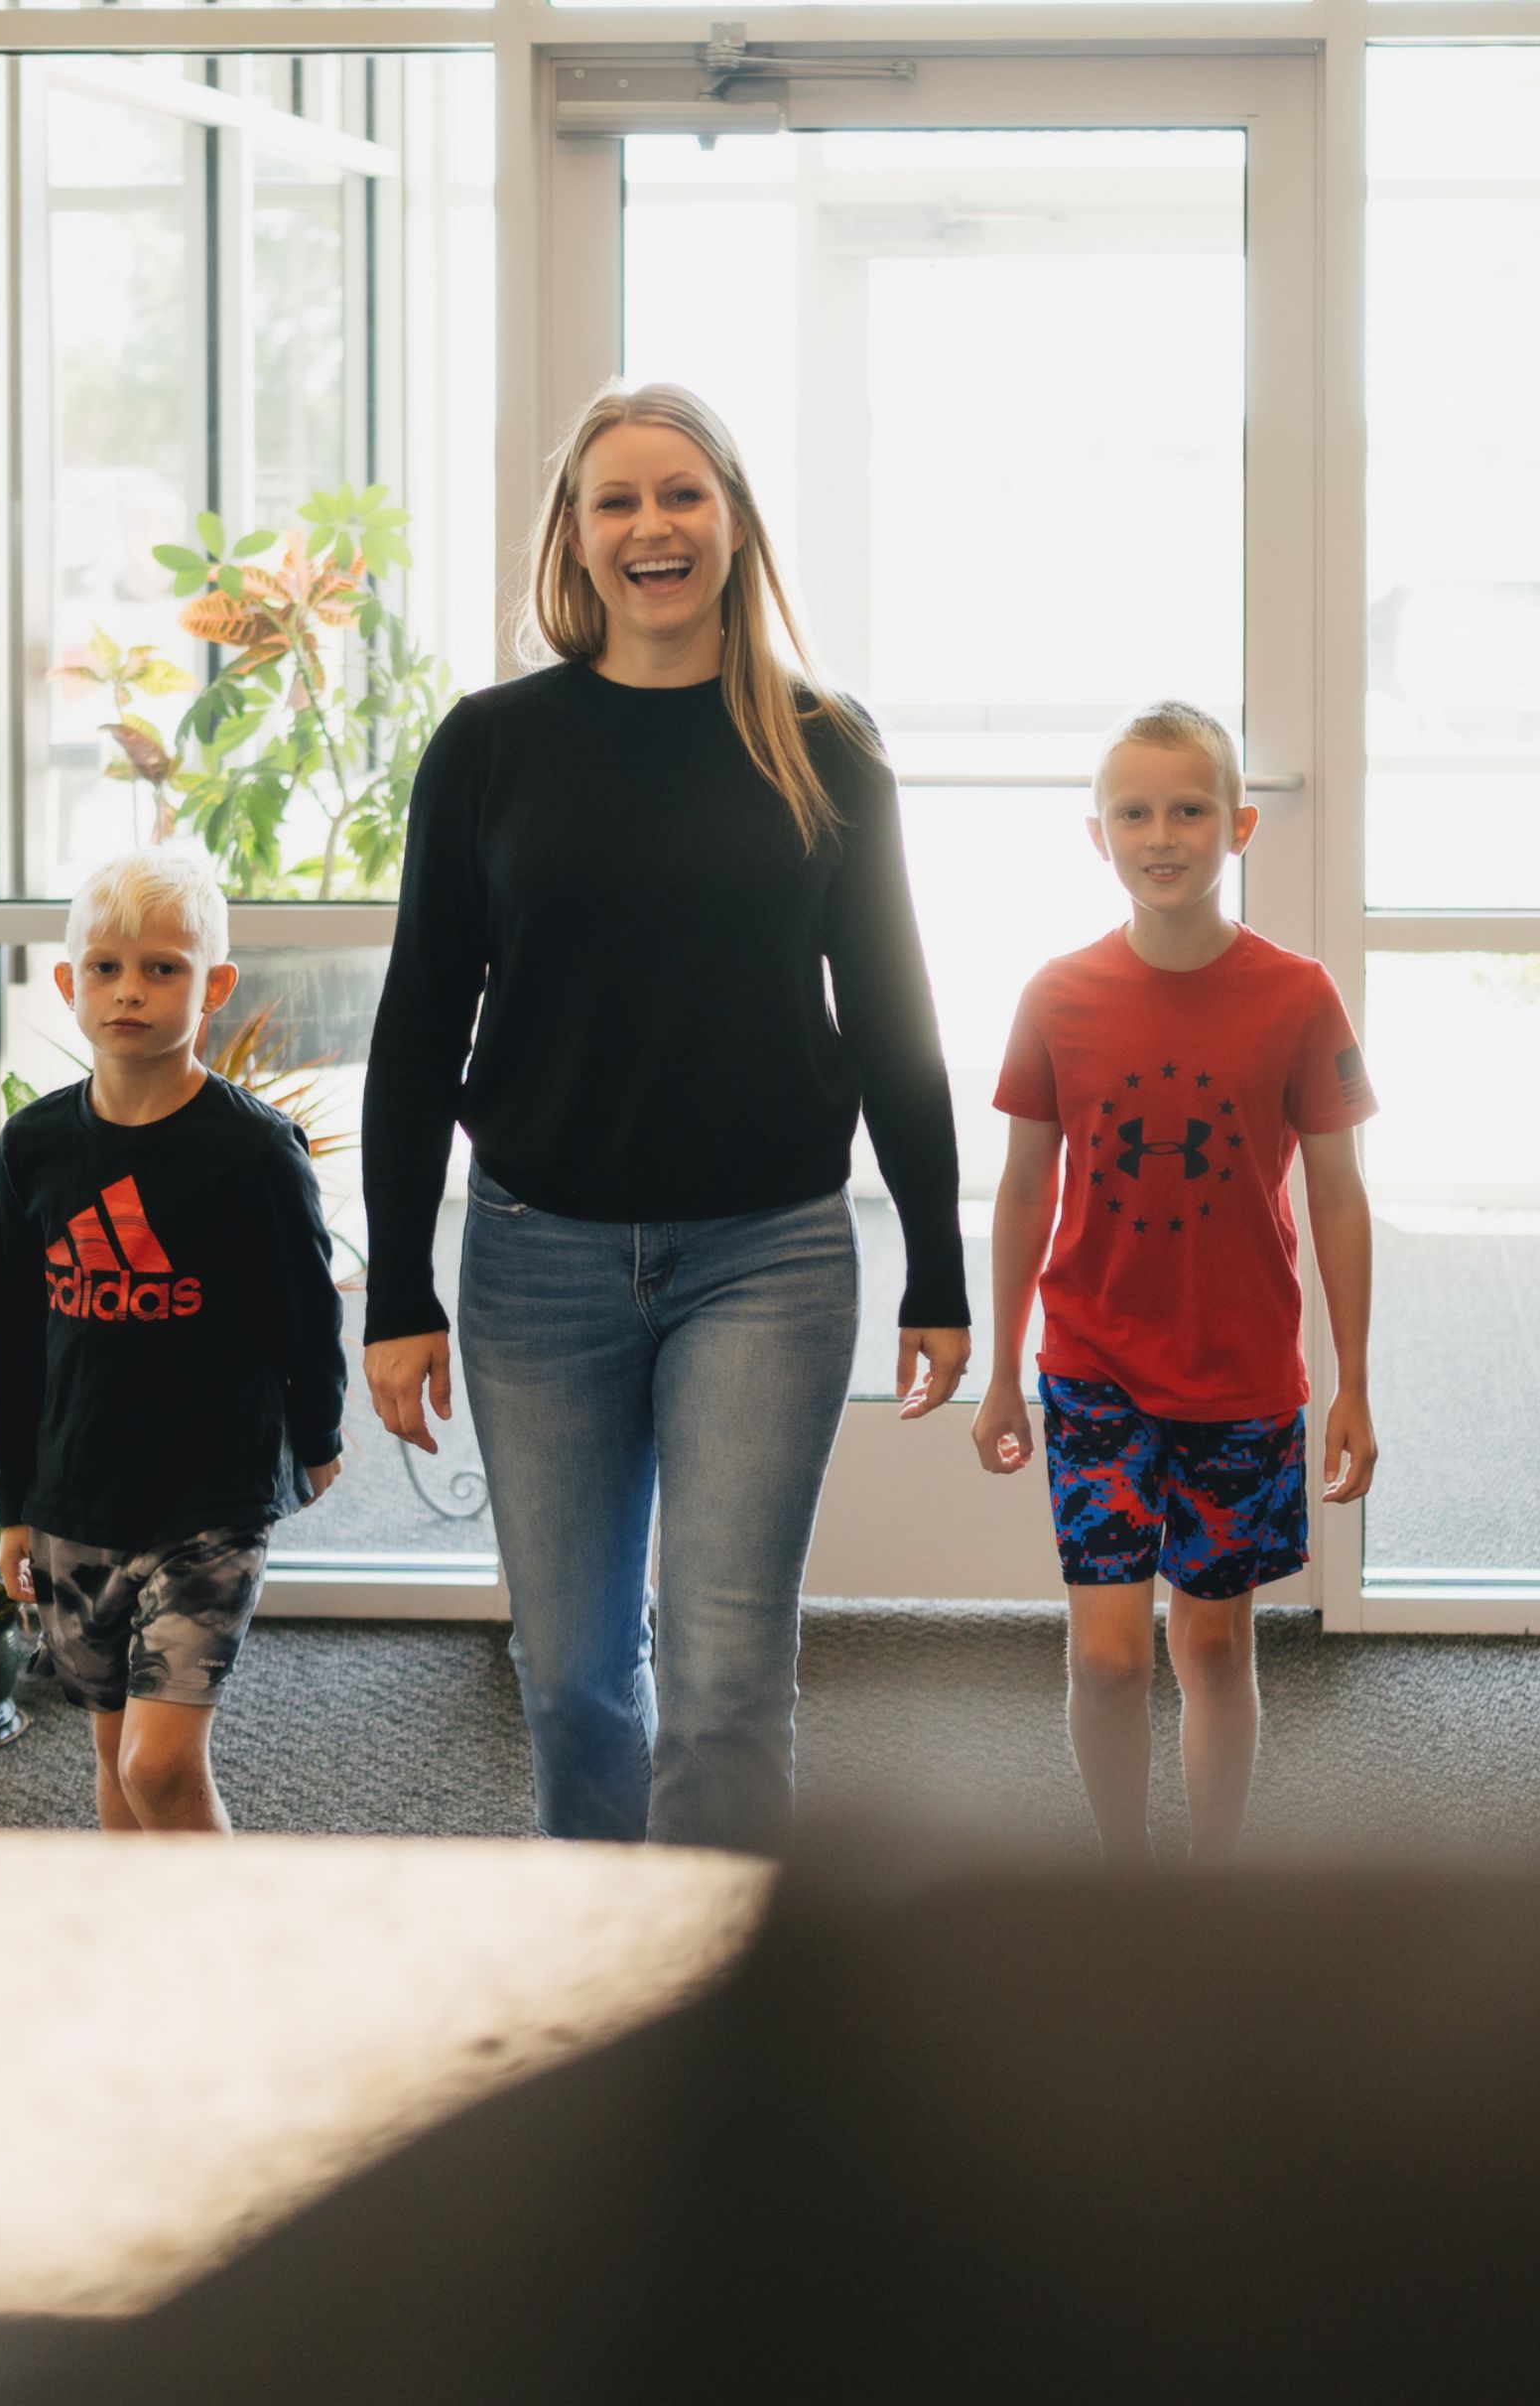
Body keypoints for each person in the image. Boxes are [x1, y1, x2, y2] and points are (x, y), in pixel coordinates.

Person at [360, 381, 971, 1853]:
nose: (654, 527)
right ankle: (601, 1981)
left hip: (766, 1258)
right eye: (618, 500)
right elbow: (420, 1024)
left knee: (724, 1687)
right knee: (572, 1685)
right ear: (574, 540)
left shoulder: (824, 746)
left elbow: (893, 1019)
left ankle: (720, 2041)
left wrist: (942, 1269)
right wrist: (395, 1284)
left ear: (737, 524)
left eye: (683, 495)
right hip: (535, 1262)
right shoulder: (490, 748)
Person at [970, 702, 1377, 1863]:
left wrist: (1349, 1384)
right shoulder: (1057, 996)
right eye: (1135, 812)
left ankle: (1209, 1893)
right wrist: (1002, 1373)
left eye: (1191, 809)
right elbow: (1019, 1193)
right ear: (1097, 836)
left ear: (1239, 826)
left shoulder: (1298, 998)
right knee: (1105, 1655)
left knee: (1211, 1651)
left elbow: (1339, 1195)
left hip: (1242, 1374)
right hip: (1094, 1365)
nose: (1164, 833)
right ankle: (1127, 1884)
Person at [0, 849, 346, 1834]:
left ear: (214, 986)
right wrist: (12, 1498)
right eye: (104, 968)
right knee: (111, 1754)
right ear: (68, 986)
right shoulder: (34, 1147)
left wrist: (317, 1436)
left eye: (162, 967)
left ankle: (229, 1969)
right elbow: (11, 1329)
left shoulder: (255, 1153)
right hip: (73, 1496)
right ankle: (149, 1967)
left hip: (207, 1504)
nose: (129, 991)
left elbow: (307, 1307)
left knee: (159, 1763)